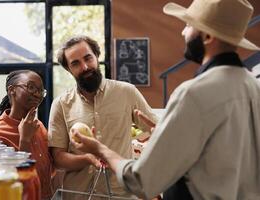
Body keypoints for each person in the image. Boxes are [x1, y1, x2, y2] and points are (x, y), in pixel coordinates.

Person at [71, 0, 260, 199]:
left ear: (207, 36)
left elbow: (142, 181)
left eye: (188, 25)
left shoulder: (193, 94)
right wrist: (166, 134)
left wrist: (100, 149)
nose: (183, 32)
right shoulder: (254, 88)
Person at [48, 35, 157, 199]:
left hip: (121, 194)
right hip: (78, 195)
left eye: (88, 58)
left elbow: (155, 129)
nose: (85, 67)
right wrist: (87, 158)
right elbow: (58, 158)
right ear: (68, 69)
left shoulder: (126, 92)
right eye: (75, 63)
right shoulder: (61, 104)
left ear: (97, 57)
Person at [0, 70, 55, 200]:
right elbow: (1, 184)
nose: (37, 94)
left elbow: (49, 167)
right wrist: (25, 140)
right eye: (31, 87)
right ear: (12, 90)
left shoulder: (39, 125)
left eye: (41, 90)